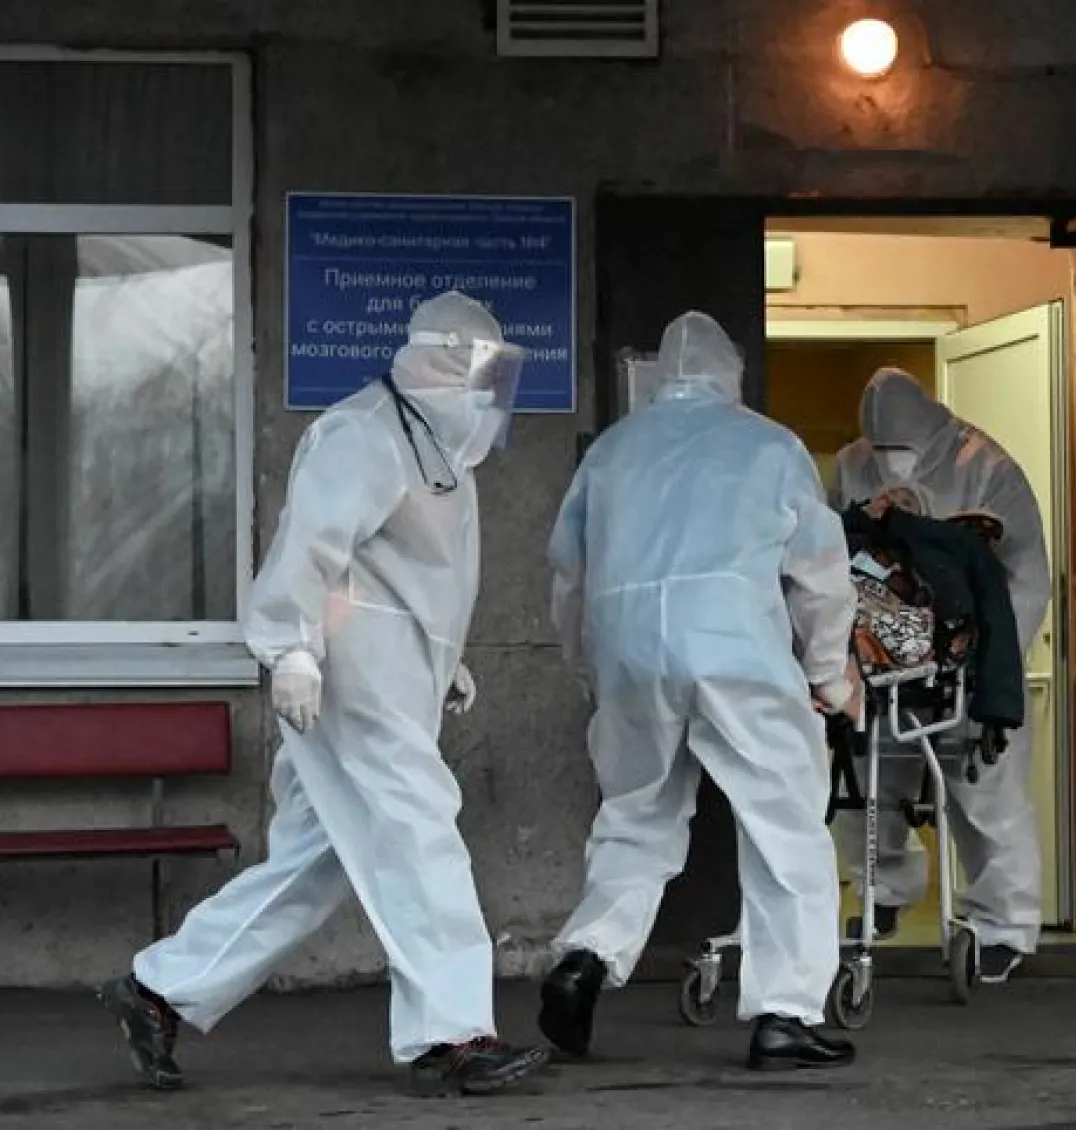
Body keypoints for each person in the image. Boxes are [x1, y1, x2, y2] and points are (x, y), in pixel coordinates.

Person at [98, 291, 550, 1097]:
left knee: (315, 864)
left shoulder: (435, 452)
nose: (487, 394)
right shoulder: (365, 432)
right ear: (444, 360)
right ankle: (451, 1034)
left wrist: (446, 663)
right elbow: (307, 550)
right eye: (479, 370)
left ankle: (158, 991)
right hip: (348, 672)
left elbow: (415, 577)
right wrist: (291, 650)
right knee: (420, 828)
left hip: (392, 670)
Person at [539, 311, 860, 1071]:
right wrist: (828, 676)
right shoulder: (769, 445)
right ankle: (785, 1011)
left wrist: (590, 668)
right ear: (731, 373)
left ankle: (585, 957)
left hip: (628, 655)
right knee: (784, 828)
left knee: (635, 816)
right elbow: (820, 573)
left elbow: (569, 576)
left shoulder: (612, 453)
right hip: (735, 651)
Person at [830, 366, 1051, 982]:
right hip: (884, 651)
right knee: (869, 781)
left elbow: (1027, 572)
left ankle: (1004, 924)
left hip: (968, 652)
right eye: (883, 456)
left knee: (985, 791)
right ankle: (884, 891)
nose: (891, 467)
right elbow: (827, 554)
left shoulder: (987, 469)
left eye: (903, 455)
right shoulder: (852, 464)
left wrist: (992, 655)